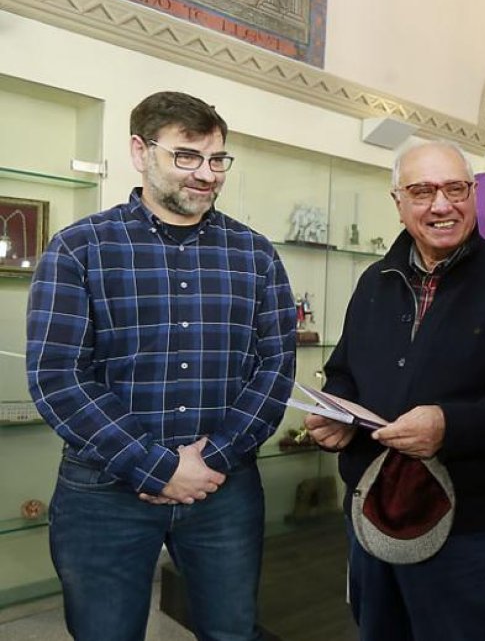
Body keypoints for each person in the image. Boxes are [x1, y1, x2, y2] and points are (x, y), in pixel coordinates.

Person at [26, 91, 297, 640]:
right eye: (186, 156)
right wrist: (159, 468)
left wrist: (211, 458)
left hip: (224, 486)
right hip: (104, 489)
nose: (206, 175)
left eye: (217, 159)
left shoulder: (256, 254)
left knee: (231, 632)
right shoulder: (80, 248)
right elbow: (57, 377)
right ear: (139, 151)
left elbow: (275, 370)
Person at [304, 141, 485, 641]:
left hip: (467, 525)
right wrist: (334, 409)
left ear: (473, 193)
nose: (441, 205)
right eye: (423, 191)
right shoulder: (373, 281)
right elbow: (343, 371)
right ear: (398, 202)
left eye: (455, 188)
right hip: (371, 511)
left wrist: (450, 426)